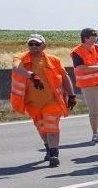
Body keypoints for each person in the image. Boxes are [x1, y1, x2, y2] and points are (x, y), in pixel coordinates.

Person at [9, 35, 76, 167]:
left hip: (52, 101)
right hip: (32, 103)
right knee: (42, 129)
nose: (33, 46)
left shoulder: (53, 60)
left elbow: (64, 77)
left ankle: (54, 154)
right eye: (31, 44)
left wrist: (72, 95)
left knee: (51, 126)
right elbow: (16, 67)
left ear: (44, 46)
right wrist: (31, 75)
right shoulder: (20, 58)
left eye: (37, 44)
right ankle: (48, 148)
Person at [71, 27, 98, 143]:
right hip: (89, 85)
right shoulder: (77, 51)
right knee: (94, 111)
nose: (95, 38)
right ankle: (95, 134)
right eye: (93, 37)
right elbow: (80, 67)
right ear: (85, 38)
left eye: (96, 36)